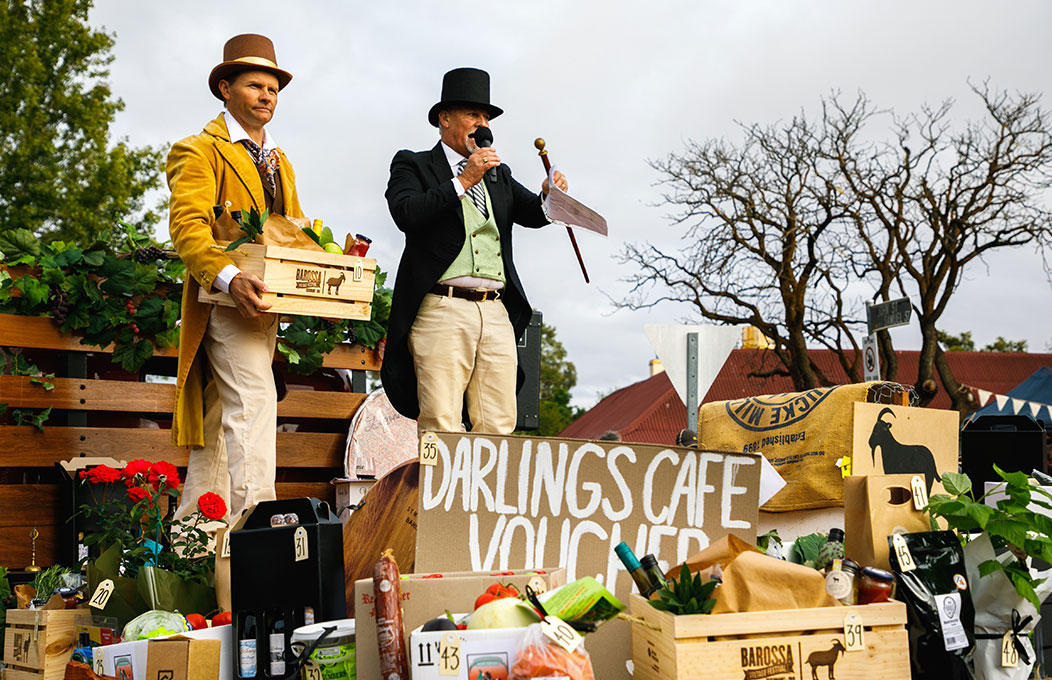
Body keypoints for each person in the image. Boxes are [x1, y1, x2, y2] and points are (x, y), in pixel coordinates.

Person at [382, 67, 568, 434]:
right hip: (441, 307)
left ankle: (488, 494)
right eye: (473, 115)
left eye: (485, 117)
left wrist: (550, 195)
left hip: (495, 310)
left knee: (499, 422)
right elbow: (405, 213)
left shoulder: (499, 173)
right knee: (441, 422)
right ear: (444, 118)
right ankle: (440, 493)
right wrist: (464, 179)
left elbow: (532, 213)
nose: (481, 124)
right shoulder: (414, 164)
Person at [166, 34, 304, 521]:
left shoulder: (279, 161)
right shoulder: (198, 150)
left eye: (273, 88)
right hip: (225, 303)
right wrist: (228, 278)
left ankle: (191, 549)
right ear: (225, 88)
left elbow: (292, 233)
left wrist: (329, 258)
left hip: (267, 309)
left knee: (222, 422)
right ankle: (260, 536)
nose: (267, 95)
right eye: (255, 85)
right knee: (254, 405)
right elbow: (187, 228)